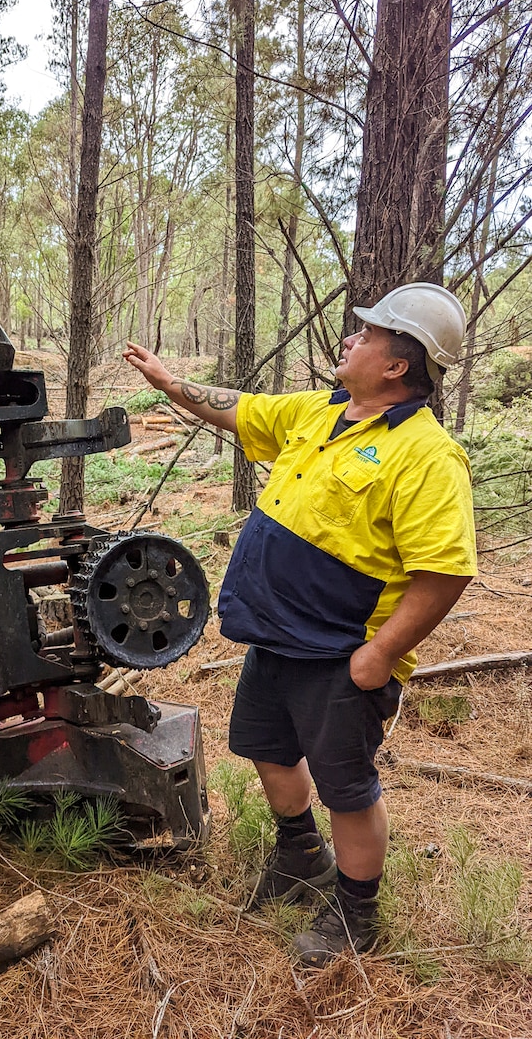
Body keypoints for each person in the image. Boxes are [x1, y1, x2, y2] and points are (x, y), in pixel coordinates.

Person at [123, 282, 477, 967]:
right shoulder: (323, 411)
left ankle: (357, 910)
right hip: (277, 636)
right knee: (267, 748)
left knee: (346, 786)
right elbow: (239, 410)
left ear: (397, 365)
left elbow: (445, 572)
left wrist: (378, 657)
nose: (351, 339)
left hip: (342, 652)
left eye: (367, 335)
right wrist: (170, 381)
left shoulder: (428, 455)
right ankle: (300, 855)